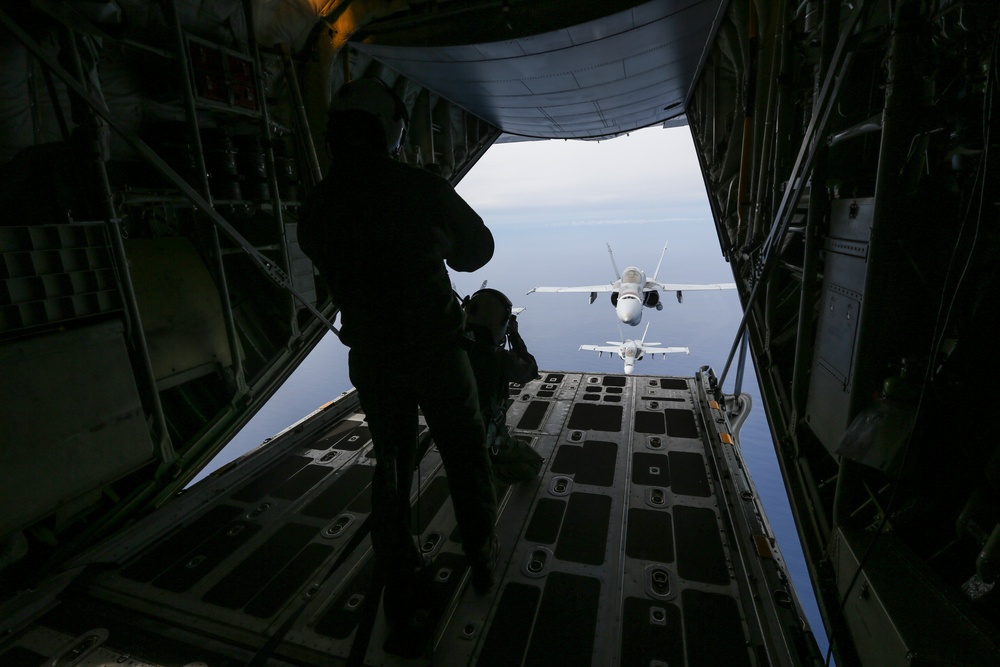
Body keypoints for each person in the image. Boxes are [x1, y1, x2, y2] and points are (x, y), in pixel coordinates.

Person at [297, 78, 499, 655]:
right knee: (464, 451)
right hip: (436, 351)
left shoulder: (319, 205)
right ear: (390, 128)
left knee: (390, 466)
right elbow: (477, 250)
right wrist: (435, 245)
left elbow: (323, 253)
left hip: (376, 360)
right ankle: (480, 551)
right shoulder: (419, 188)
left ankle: (398, 578)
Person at [463, 289, 542, 485]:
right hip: (482, 441)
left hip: (454, 436)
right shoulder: (496, 357)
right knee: (533, 462)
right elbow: (529, 370)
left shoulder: (455, 350)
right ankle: (484, 474)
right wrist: (514, 336)